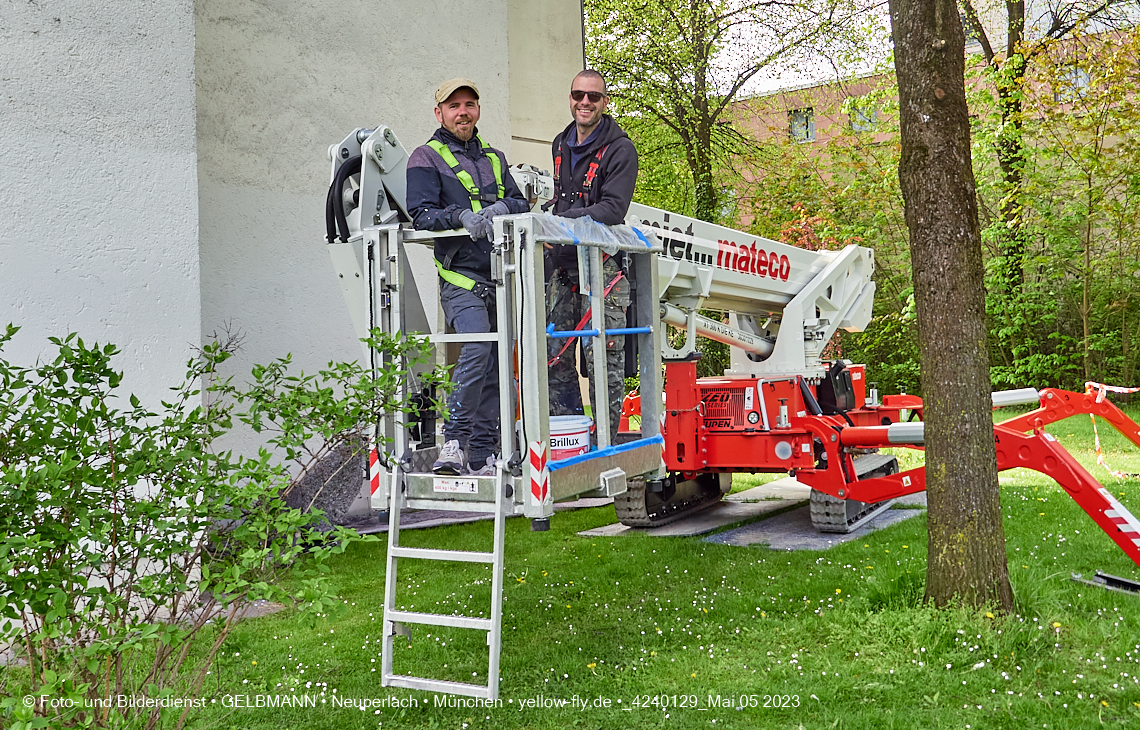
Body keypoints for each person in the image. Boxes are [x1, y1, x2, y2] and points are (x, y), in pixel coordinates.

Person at [406, 78, 529, 475]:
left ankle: (482, 454)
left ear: (478, 110)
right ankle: (454, 442)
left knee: (496, 363)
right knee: (477, 348)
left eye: (469, 104)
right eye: (454, 105)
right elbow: (421, 214)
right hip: (461, 280)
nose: (463, 112)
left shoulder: (494, 158)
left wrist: (501, 209)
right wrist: (459, 216)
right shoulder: (426, 158)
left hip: (500, 277)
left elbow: (520, 202)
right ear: (439, 113)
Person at [545, 69, 639, 442]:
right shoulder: (561, 143)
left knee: (603, 362)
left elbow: (613, 209)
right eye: (578, 95)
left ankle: (604, 445)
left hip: (603, 271)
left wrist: (556, 225)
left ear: (605, 102)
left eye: (593, 97)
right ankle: (570, 440)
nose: (585, 102)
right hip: (564, 271)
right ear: (570, 98)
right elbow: (560, 199)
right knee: (554, 357)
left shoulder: (620, 149)